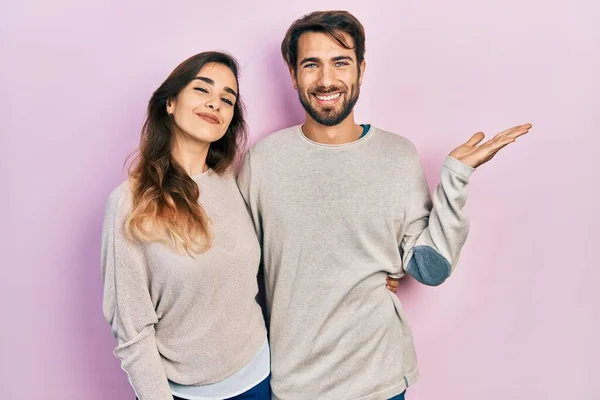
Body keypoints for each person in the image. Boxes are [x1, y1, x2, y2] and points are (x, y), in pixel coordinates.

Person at [237, 10, 532, 400]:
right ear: (293, 75)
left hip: (380, 382)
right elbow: (233, 268)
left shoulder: (396, 156)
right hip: (295, 385)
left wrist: (456, 176)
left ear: (360, 69)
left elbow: (429, 268)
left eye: (340, 62)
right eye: (311, 64)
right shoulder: (265, 160)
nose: (326, 80)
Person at [101, 51, 271, 400]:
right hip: (183, 393)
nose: (215, 103)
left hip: (260, 378)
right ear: (170, 102)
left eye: (227, 99)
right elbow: (132, 331)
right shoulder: (129, 204)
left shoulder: (235, 182)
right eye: (202, 89)